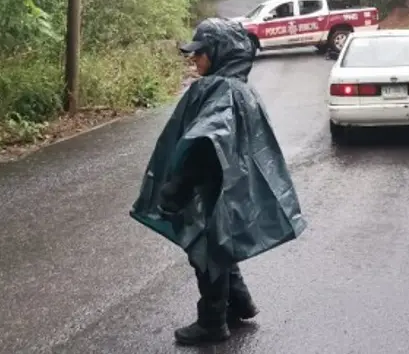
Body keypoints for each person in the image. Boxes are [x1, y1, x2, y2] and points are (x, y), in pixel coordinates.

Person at [130, 18, 307, 346]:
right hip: (231, 184)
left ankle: (212, 322)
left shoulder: (218, 89)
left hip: (212, 185)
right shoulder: (239, 87)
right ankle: (239, 303)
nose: (194, 59)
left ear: (219, 51)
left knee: (207, 250)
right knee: (220, 244)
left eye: (200, 53)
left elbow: (206, 141)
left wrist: (177, 186)